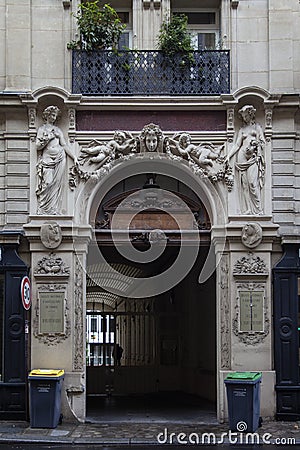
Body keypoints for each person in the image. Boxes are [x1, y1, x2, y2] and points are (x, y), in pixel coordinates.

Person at [36, 106, 77, 215]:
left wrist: (74, 157)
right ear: (47, 116)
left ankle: (54, 209)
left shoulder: (58, 130)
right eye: (52, 115)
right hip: (47, 159)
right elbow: (38, 146)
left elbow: (64, 145)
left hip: (60, 157)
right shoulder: (42, 129)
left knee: (57, 184)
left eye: (55, 116)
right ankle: (45, 209)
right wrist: (48, 138)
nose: (54, 117)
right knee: (48, 182)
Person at [226, 105, 265, 215]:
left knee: (253, 182)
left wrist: (254, 146)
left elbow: (262, 142)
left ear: (251, 114)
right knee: (245, 185)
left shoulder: (257, 128)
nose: (244, 118)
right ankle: (248, 209)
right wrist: (229, 156)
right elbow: (237, 145)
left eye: (246, 116)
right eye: (243, 116)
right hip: (241, 157)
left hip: (253, 158)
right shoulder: (242, 130)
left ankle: (258, 209)